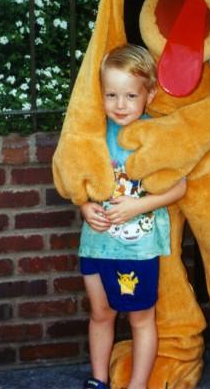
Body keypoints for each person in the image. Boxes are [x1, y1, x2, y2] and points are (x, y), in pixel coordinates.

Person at [79, 44, 186, 389]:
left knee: (141, 319)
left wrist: (137, 206)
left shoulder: (155, 135)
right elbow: (80, 183)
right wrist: (84, 207)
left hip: (137, 250)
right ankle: (98, 379)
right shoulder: (93, 132)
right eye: (111, 95)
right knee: (100, 313)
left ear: (149, 95)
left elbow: (179, 187)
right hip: (95, 244)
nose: (120, 105)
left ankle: (137, 385)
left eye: (130, 95)